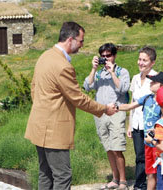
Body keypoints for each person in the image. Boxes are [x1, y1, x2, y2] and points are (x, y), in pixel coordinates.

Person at [25, 22, 116, 190]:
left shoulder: (44, 56)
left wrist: (43, 108)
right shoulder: (63, 66)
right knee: (62, 175)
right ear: (70, 39)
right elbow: (78, 98)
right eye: (81, 41)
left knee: (45, 173)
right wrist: (104, 109)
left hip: (38, 126)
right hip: (54, 131)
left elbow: (34, 88)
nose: (82, 45)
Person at [83, 43, 130, 190]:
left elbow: (123, 89)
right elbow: (87, 86)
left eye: (108, 56)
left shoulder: (122, 71)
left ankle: (123, 181)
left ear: (114, 56)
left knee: (117, 148)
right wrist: (93, 68)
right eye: (102, 56)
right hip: (101, 114)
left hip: (116, 112)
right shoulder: (98, 73)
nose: (105, 59)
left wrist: (112, 72)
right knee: (108, 148)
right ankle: (115, 178)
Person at [119, 71, 163, 190]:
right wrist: (115, 107)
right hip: (148, 143)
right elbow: (129, 106)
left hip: (159, 144)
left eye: (154, 81)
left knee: (160, 172)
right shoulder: (147, 98)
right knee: (150, 173)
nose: (151, 82)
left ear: (162, 86)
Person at [125, 46, 157, 190]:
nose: (141, 63)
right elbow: (133, 102)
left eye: (144, 60)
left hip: (150, 124)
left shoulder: (156, 79)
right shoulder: (136, 78)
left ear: (152, 62)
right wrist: (130, 125)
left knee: (149, 156)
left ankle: (145, 184)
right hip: (137, 123)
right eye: (139, 59)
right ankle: (139, 184)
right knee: (139, 155)